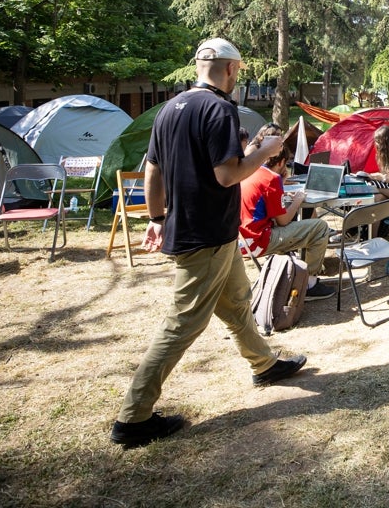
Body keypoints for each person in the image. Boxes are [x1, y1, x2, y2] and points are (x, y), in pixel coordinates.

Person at [110, 38, 309, 449]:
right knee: (183, 322)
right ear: (232, 70)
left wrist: (156, 218)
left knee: (237, 303)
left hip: (204, 232)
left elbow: (152, 170)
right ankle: (133, 418)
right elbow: (227, 175)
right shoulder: (220, 108)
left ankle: (265, 364)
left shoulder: (170, 108)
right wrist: (268, 150)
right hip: (205, 236)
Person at [239, 125, 335, 301]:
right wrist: (298, 199)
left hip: (244, 239)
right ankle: (309, 284)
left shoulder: (254, 172)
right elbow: (283, 221)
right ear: (282, 162)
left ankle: (295, 273)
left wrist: (281, 187)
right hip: (259, 241)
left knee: (305, 227)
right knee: (320, 227)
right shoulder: (271, 179)